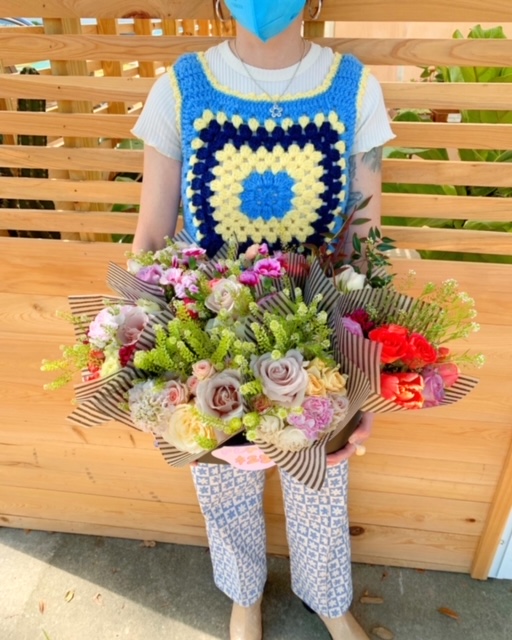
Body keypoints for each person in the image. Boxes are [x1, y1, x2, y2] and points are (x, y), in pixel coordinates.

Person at [131, 1, 395, 638]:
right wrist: (137, 351)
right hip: (206, 333)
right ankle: (242, 594)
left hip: (320, 332)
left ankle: (328, 598)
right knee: (222, 484)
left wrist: (368, 366)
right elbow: (153, 235)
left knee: (321, 481)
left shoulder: (355, 89)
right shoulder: (179, 90)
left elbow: (363, 239)